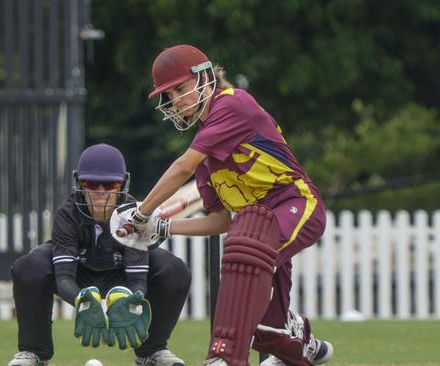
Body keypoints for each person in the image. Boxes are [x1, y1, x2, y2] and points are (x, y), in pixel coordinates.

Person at [113, 45, 334, 366]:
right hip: (253, 229)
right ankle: (298, 337)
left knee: (244, 279)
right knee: (264, 329)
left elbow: (181, 168)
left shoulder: (232, 103)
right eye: (169, 94)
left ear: (203, 77)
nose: (176, 100)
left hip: (296, 203)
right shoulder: (207, 160)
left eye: (180, 88)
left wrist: (141, 213)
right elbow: (220, 221)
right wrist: (164, 227)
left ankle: (224, 356)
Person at [7, 143, 190, 366]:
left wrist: (127, 299)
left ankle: (151, 353)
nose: (101, 192)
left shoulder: (134, 215)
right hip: (79, 274)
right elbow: (64, 277)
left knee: (174, 269)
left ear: (123, 184)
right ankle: (33, 353)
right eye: (91, 183)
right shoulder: (67, 214)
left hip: (121, 275)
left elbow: (138, 280)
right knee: (29, 265)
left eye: (110, 184)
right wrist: (81, 300)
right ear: (79, 184)